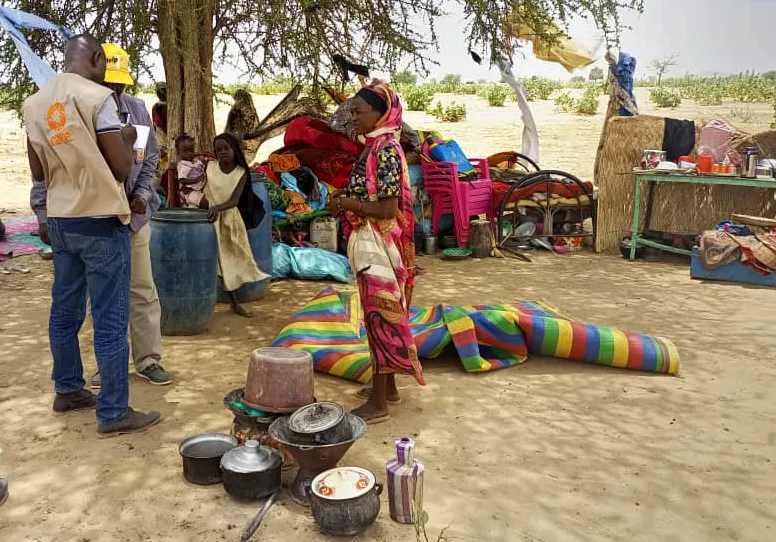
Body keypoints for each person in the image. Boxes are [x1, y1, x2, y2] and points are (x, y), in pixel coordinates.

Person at [23, 34, 160, 436]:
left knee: (65, 311)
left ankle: (67, 388)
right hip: (100, 217)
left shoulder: (36, 103)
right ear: (98, 58)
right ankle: (113, 410)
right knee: (110, 317)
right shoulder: (96, 99)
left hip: (62, 218)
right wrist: (126, 140)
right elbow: (119, 169)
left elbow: (36, 171)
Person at [326, 84, 424, 424]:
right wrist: (346, 194)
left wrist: (344, 203)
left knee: (381, 315)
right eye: (352, 112)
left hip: (379, 243)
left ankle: (379, 403)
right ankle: (388, 388)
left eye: (358, 112)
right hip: (373, 242)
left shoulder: (384, 150)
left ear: (381, 114)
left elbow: (386, 208)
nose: (353, 118)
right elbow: (369, 191)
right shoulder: (376, 147)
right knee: (382, 313)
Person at [204, 133, 267, 317]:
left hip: (229, 221)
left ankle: (234, 303)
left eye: (226, 148)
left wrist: (217, 208)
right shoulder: (210, 166)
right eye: (218, 149)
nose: (222, 152)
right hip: (208, 218)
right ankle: (212, 301)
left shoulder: (241, 173)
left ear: (234, 149)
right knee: (210, 262)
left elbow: (234, 200)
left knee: (229, 262)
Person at [175, 134, 207, 208]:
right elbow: (182, 180)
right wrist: (196, 179)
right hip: (190, 192)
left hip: (201, 189)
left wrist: (204, 162)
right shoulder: (183, 165)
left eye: (191, 150)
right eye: (185, 151)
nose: (189, 153)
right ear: (179, 152)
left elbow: (202, 169)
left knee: (194, 207)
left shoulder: (195, 161)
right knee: (203, 202)